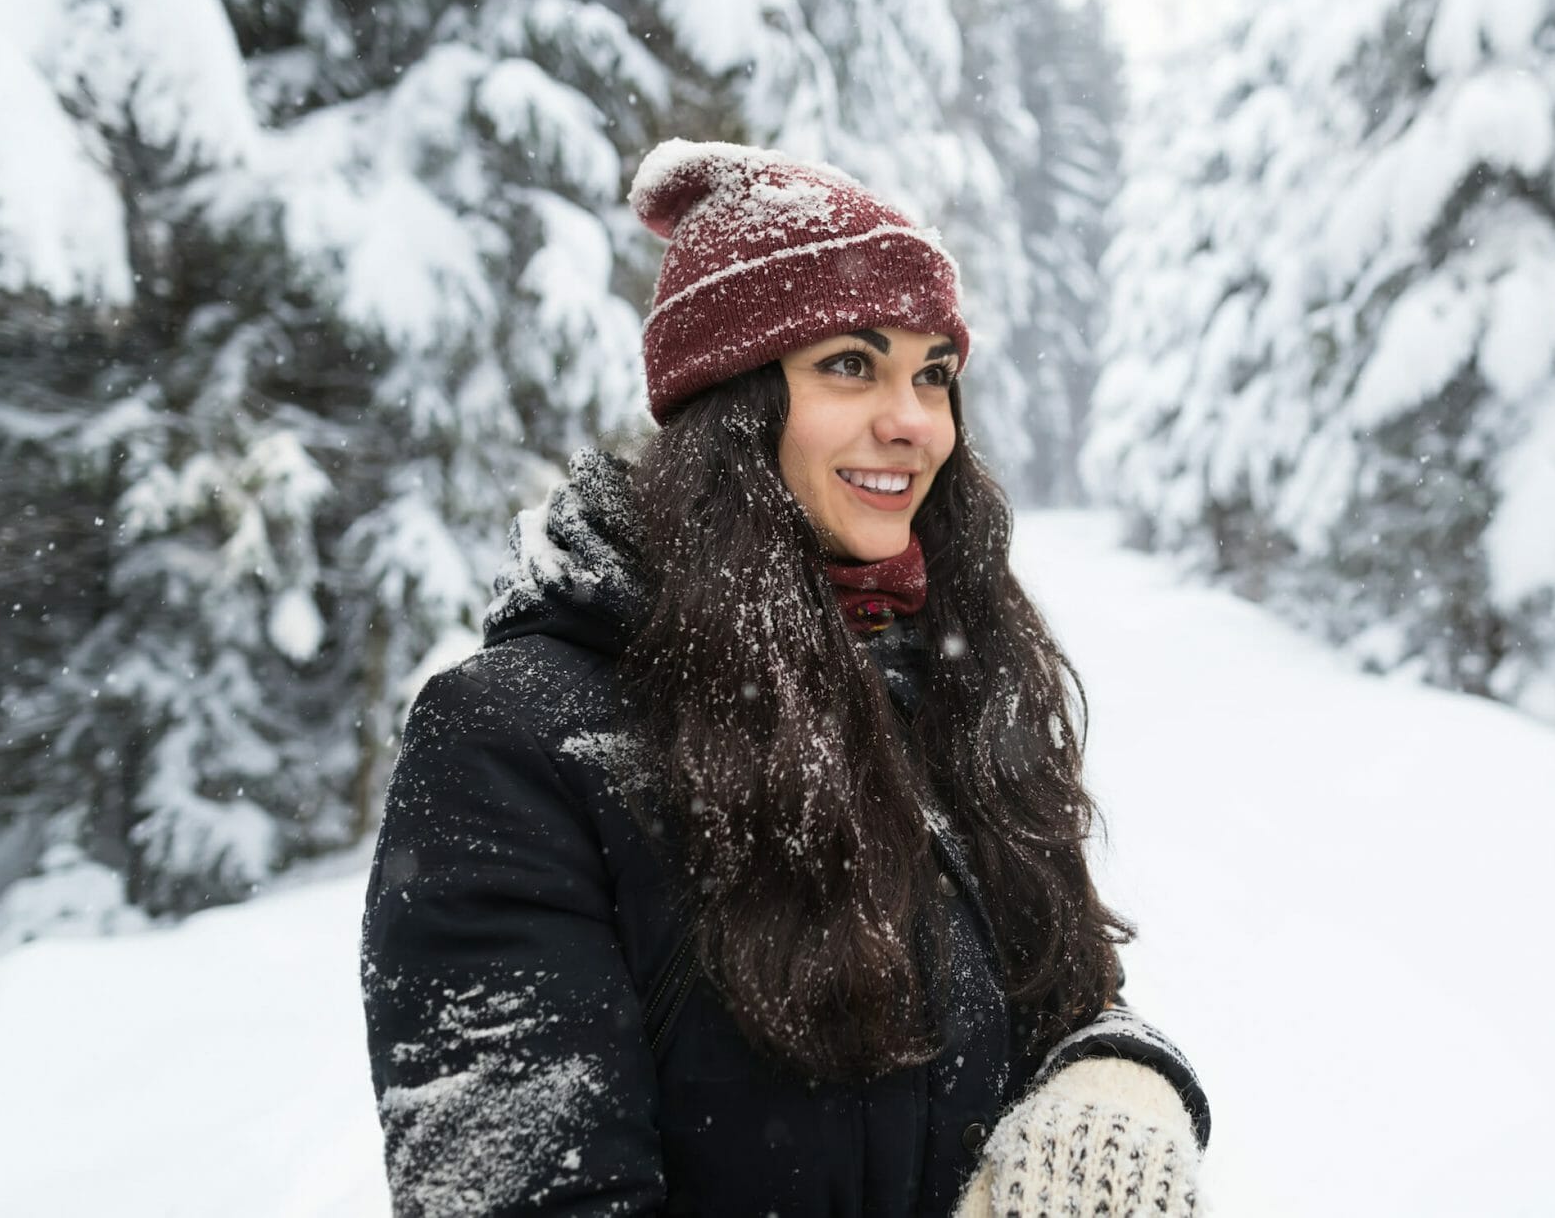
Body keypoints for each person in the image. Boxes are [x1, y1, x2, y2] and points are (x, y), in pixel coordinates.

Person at [359, 139, 1210, 1217]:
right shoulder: (514, 744)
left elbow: (1066, 992)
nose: (912, 420)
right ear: (732, 404)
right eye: (849, 364)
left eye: (932, 373)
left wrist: (1116, 1079)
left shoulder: (936, 673)